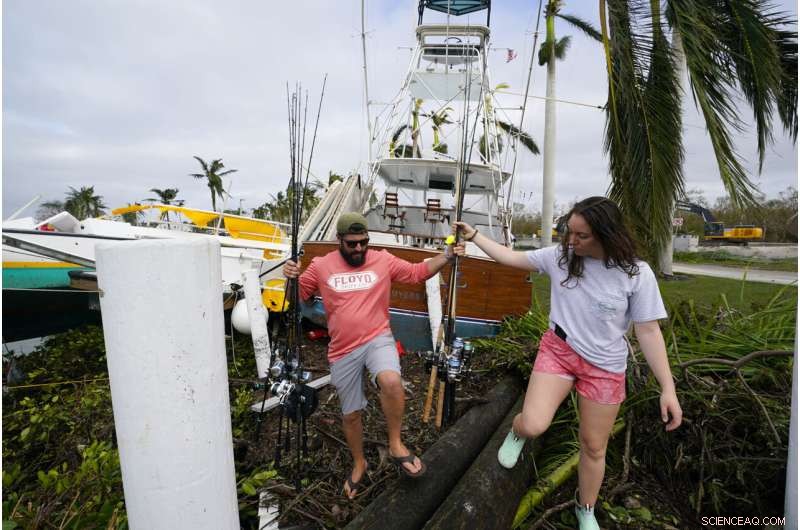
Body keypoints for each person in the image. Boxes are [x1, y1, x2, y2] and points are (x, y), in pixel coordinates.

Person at [454, 197, 682, 530]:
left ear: (606, 235)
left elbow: (648, 331)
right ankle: (517, 434)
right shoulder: (560, 258)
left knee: (593, 446)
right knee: (533, 424)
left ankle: (584, 507)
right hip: (559, 352)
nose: (571, 241)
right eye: (569, 232)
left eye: (581, 235)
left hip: (605, 367)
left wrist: (668, 388)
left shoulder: (636, 273)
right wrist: (474, 235)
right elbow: (510, 257)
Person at [283, 212, 465, 499]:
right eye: (352, 244)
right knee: (351, 414)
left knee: (391, 382)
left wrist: (447, 256)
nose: (358, 249)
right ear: (339, 240)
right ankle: (359, 462)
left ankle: (395, 444)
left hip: (378, 338)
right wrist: (290, 279)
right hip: (342, 349)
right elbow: (298, 298)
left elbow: (418, 272)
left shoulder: (382, 259)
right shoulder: (321, 266)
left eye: (363, 243)